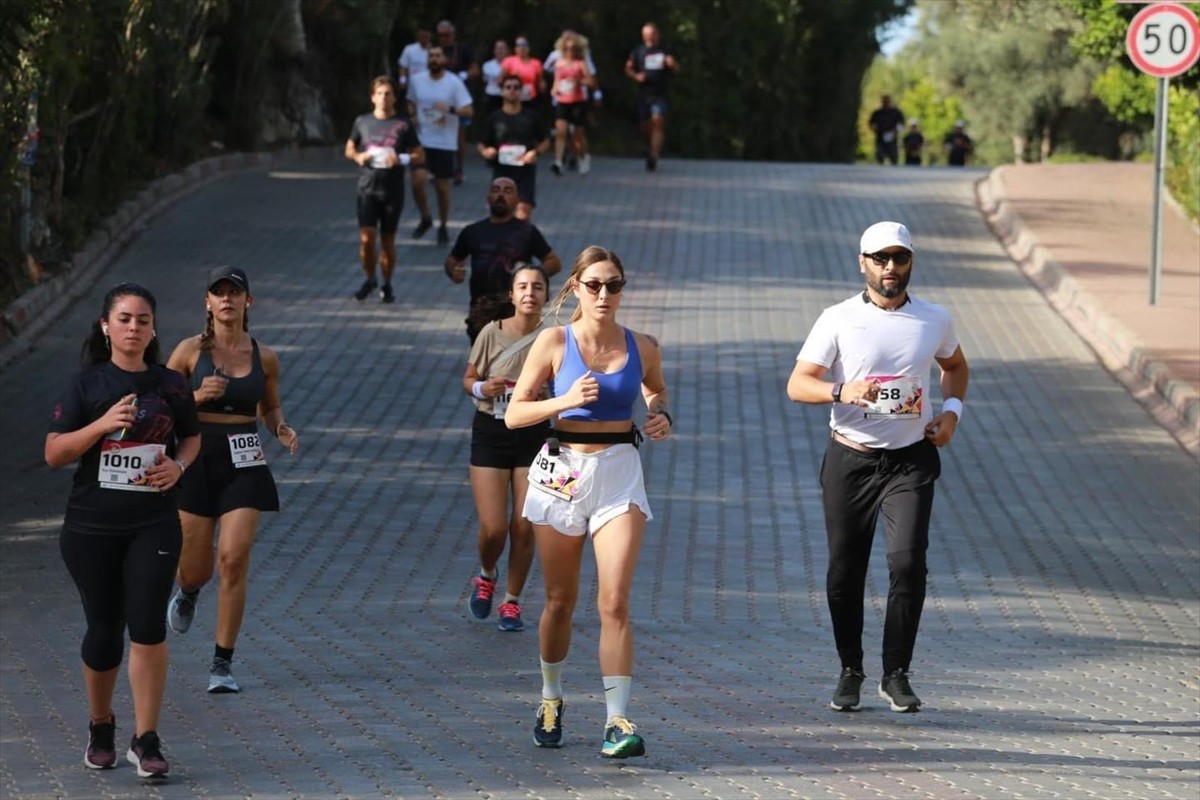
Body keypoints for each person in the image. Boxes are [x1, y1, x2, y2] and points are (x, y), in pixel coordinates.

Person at [786, 221, 969, 714]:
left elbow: (955, 367)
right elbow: (797, 383)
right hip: (851, 459)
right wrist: (841, 391)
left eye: (900, 258)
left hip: (910, 460)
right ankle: (851, 670)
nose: (892, 268)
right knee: (846, 571)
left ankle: (897, 674)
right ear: (862, 262)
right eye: (881, 259)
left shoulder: (934, 318)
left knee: (908, 562)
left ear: (911, 262)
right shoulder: (838, 318)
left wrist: (951, 415)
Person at [505, 245, 672, 759]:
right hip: (562, 470)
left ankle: (617, 721)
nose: (604, 294)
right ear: (575, 287)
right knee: (560, 600)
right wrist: (566, 400)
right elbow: (515, 414)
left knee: (614, 601)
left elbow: (655, 390)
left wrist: (659, 413)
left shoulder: (642, 344)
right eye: (595, 285)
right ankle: (551, 698)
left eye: (614, 285)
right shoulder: (555, 342)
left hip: (619, 469)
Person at [46, 282, 201, 780]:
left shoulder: (171, 384)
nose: (134, 327)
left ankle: (147, 738)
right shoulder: (85, 386)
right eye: (125, 319)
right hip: (91, 527)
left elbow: (193, 437)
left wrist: (178, 465)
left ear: (153, 328)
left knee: (148, 625)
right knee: (105, 631)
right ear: (106, 326)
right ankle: (100, 724)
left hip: (153, 522)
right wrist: (101, 425)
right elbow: (53, 453)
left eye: (143, 319)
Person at [165, 266, 300, 695]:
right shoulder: (188, 352)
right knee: (196, 566)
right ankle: (187, 591)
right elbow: (159, 405)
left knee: (234, 559)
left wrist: (280, 428)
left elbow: (270, 408)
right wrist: (193, 398)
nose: (227, 299)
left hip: (244, 460)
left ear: (248, 302)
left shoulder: (265, 357)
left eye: (234, 293)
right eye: (218, 292)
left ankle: (222, 663)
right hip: (196, 456)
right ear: (207, 302)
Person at [462, 264, 553, 633]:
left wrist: (551, 395)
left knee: (525, 524)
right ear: (512, 295)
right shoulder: (491, 332)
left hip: (532, 433)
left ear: (547, 295)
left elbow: (567, 383)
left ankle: (512, 601)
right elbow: (468, 380)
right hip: (491, 431)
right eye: (523, 287)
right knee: (494, 528)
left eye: (538, 287)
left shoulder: (554, 337)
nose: (530, 293)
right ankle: (486, 574)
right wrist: (486, 388)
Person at [445, 177, 562, 342]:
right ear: (488, 197)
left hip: (515, 312)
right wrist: (453, 271)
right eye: (495, 190)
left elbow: (554, 262)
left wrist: (533, 276)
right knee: (481, 365)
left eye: (507, 191)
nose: (500, 195)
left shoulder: (527, 231)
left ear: (517, 200)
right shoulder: (472, 231)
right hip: (481, 312)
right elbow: (452, 259)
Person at [344, 76, 424, 303]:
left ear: (394, 98)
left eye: (388, 93)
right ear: (372, 97)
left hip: (392, 190)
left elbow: (420, 154)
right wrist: (359, 156)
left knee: (388, 239)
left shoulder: (403, 124)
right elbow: (349, 148)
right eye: (379, 93)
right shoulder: (362, 121)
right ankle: (370, 279)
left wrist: (400, 159)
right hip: (367, 188)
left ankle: (387, 284)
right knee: (367, 238)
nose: (383, 98)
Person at [408, 45, 473, 245]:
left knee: (441, 187)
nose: (434, 59)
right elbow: (410, 102)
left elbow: (468, 111)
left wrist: (450, 108)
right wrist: (412, 116)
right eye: (431, 56)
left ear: (445, 59)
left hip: (444, 142)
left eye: (438, 56)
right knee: (417, 182)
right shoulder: (417, 80)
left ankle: (443, 225)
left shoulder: (454, 83)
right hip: (422, 139)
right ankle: (426, 217)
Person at [477, 76, 551, 221]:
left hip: (525, 172)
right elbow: (481, 143)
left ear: (521, 92)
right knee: (500, 215)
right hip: (501, 173)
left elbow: (546, 141)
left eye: (516, 87)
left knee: (523, 213)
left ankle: (519, 242)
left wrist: (535, 152)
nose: (512, 91)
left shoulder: (531, 117)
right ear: (502, 91)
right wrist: (486, 152)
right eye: (508, 87)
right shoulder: (494, 118)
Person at [625, 22, 678, 172]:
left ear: (657, 35)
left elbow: (676, 69)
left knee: (658, 121)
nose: (649, 37)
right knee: (645, 125)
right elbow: (628, 68)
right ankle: (650, 148)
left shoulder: (665, 49)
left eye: (652, 34)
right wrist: (636, 76)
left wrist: (672, 64)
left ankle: (654, 156)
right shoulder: (638, 51)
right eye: (646, 35)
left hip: (660, 93)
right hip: (644, 94)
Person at [435, 20, 478, 185]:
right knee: (438, 131)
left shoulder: (463, 50)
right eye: (441, 35)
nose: (444, 38)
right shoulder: (436, 52)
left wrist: (465, 75)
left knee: (459, 134)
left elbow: (475, 69)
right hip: (439, 98)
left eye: (447, 35)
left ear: (453, 34)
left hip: (459, 100)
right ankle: (439, 169)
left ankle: (459, 168)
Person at [550, 39, 596, 177]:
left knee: (578, 134)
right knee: (561, 132)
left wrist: (579, 81)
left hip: (577, 101)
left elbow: (592, 82)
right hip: (562, 100)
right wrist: (554, 91)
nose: (570, 51)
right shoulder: (559, 64)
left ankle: (583, 157)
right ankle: (558, 162)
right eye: (567, 49)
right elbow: (556, 81)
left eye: (573, 49)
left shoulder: (581, 64)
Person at [501, 36, 546, 113]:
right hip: (514, 97)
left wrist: (542, 86)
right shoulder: (509, 61)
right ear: (515, 49)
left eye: (524, 46)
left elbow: (540, 81)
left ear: (528, 48)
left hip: (530, 97)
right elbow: (502, 79)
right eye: (518, 46)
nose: (522, 49)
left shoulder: (536, 63)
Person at [868, 95, 905, 165]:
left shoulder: (896, 113)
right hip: (880, 139)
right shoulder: (877, 113)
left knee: (894, 160)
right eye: (884, 101)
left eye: (887, 101)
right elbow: (871, 124)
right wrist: (875, 128)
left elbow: (901, 124)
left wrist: (895, 131)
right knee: (879, 158)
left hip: (893, 139)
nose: (886, 103)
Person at [481, 39, 511, 118]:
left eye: (502, 48)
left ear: (507, 50)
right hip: (492, 96)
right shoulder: (487, 65)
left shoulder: (513, 64)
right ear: (494, 50)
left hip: (508, 97)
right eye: (497, 48)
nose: (500, 51)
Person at [396, 26, 432, 90]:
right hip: (412, 86)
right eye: (421, 36)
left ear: (429, 36)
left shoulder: (434, 51)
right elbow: (403, 67)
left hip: (429, 86)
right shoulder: (409, 49)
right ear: (418, 36)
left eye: (425, 36)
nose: (423, 38)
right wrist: (402, 81)